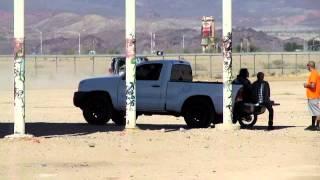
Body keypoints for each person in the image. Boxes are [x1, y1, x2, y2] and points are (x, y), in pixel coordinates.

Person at [304, 61, 320, 130]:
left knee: (317, 112)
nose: (307, 67)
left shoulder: (313, 73)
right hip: (313, 96)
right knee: (313, 111)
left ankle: (317, 126)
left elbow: (313, 85)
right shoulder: (315, 73)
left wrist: (306, 85)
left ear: (309, 66)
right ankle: (313, 125)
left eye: (307, 66)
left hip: (313, 96)